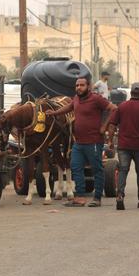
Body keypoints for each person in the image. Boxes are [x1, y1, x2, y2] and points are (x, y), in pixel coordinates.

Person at [46, 76, 117, 207]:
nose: (78, 87)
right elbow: (68, 107)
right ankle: (80, 197)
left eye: (81, 85)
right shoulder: (76, 99)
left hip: (94, 142)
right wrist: (54, 113)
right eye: (77, 85)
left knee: (97, 169)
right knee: (75, 167)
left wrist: (104, 126)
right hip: (78, 142)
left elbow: (113, 109)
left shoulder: (96, 99)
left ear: (88, 86)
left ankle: (97, 198)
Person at [107, 82, 139, 210]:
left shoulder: (122, 106)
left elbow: (112, 125)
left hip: (123, 146)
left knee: (123, 170)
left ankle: (120, 195)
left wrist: (110, 141)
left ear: (131, 93)